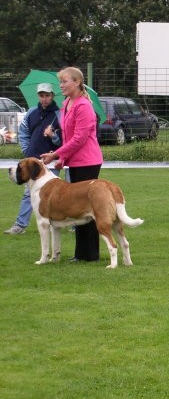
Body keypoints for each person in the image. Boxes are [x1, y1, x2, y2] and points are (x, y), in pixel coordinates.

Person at [41, 67, 103, 262]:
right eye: (60, 82)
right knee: (79, 207)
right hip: (75, 161)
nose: (61, 85)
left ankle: (88, 254)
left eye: (65, 81)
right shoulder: (67, 103)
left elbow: (79, 139)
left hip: (88, 162)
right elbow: (68, 137)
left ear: (77, 82)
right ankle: (84, 254)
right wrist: (62, 159)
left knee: (86, 208)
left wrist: (55, 155)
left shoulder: (83, 106)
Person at [4, 83, 62, 235]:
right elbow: (23, 133)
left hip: (51, 160)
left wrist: (53, 136)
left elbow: (63, 141)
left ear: (52, 96)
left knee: (53, 194)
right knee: (28, 193)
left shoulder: (60, 115)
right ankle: (20, 225)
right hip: (32, 161)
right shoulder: (32, 112)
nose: (44, 99)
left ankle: (54, 221)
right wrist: (26, 150)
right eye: (41, 96)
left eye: (47, 96)